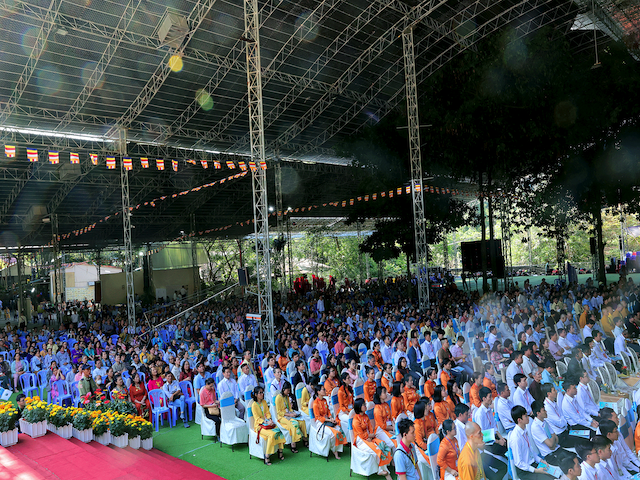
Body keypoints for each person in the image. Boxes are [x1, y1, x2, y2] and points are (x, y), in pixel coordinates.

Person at [508, 405, 554, 480]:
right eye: (526, 416)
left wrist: (541, 461)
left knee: (554, 474)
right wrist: (536, 470)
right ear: (519, 420)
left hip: (532, 464)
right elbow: (519, 463)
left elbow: (531, 451)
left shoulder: (524, 431)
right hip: (525, 471)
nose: (528, 417)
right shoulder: (515, 438)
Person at [352, 398, 393, 480]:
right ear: (359, 407)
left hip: (370, 437)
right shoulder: (356, 420)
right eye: (363, 405)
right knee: (378, 450)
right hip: (361, 441)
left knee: (383, 445)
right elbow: (361, 435)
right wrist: (369, 436)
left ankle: (383, 467)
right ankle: (383, 472)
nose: (365, 406)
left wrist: (371, 436)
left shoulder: (365, 416)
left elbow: (370, 428)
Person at [251, 386, 286, 465]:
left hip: (267, 423)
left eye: (262, 392)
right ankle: (267, 456)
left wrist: (270, 419)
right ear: (256, 395)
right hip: (259, 426)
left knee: (279, 430)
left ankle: (280, 451)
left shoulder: (264, 402)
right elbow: (257, 418)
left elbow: (267, 413)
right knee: (271, 434)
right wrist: (266, 422)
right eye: (260, 393)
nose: (262, 394)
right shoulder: (254, 405)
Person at [530, 400, 570, 466]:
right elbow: (551, 444)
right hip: (551, 455)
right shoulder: (535, 427)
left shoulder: (545, 422)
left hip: (557, 449)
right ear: (538, 413)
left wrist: (552, 442)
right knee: (571, 464)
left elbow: (556, 439)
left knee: (575, 458)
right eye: (544, 410)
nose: (546, 411)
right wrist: (552, 441)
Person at [311, 383, 345, 459]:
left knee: (339, 430)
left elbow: (328, 411)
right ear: (318, 392)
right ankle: (334, 450)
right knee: (333, 434)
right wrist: (329, 420)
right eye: (323, 389)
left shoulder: (324, 400)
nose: (324, 390)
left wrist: (331, 418)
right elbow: (318, 417)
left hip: (328, 421)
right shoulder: (315, 403)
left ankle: (337, 449)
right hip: (320, 423)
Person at [275, 381, 307, 453]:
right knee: (294, 424)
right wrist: (290, 415)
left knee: (302, 421)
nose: (289, 392)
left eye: (289, 390)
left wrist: (294, 413)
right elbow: (279, 412)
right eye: (288, 390)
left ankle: (305, 439)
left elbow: (289, 408)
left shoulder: (287, 397)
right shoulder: (278, 398)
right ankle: (293, 444)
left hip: (289, 414)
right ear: (284, 389)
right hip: (282, 417)